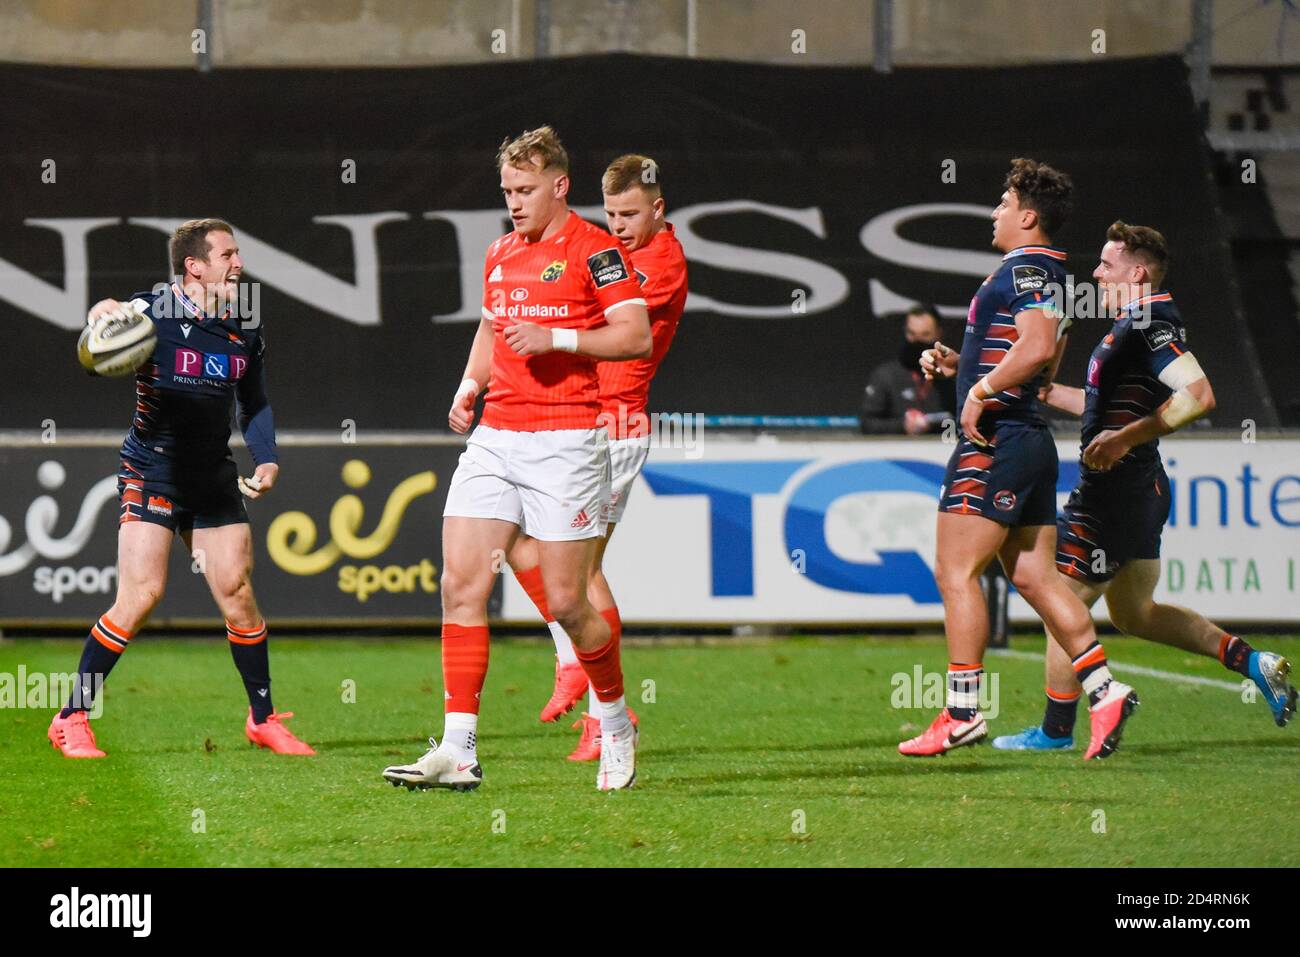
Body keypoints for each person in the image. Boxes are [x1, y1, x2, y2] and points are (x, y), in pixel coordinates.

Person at [382, 127, 653, 792]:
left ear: (561, 186)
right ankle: (459, 748)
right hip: (498, 434)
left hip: (565, 440)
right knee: (460, 585)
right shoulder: (501, 252)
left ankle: (614, 721)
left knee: (566, 601)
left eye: (526, 189)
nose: (514, 202)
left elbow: (635, 334)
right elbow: (491, 326)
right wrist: (470, 384)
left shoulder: (597, 250)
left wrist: (558, 336)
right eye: (507, 190)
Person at [994, 221, 1295, 750]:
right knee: (1135, 613)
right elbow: (1094, 408)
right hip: (1142, 490)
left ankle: (1056, 732)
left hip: (1115, 491)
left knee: (1061, 603)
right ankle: (1255, 661)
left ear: (1137, 273)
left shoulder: (1151, 322)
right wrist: (1020, 388)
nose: (1095, 273)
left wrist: (1125, 438)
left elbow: (1199, 396)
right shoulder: (1130, 326)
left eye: (1106, 265)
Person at [900, 158, 1140, 761]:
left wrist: (979, 391)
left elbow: (1033, 348)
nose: (995, 212)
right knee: (1034, 575)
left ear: (1027, 216)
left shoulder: (1027, 266)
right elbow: (1041, 361)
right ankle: (1106, 691)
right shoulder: (1056, 273)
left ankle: (960, 712)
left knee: (954, 571)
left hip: (998, 439)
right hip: (1029, 438)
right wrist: (966, 365)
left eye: (1003, 203)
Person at [47, 219, 314, 758]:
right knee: (142, 595)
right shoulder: (154, 312)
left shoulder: (245, 323)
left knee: (238, 593)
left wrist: (266, 458)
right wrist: (102, 312)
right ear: (195, 266)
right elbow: (108, 320)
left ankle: (262, 719)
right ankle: (71, 716)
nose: (238, 263)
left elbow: (254, 402)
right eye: (228, 254)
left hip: (212, 472)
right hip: (153, 469)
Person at [507, 153, 688, 762]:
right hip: (577, 423)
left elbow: (604, 322)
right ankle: (581, 674)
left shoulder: (659, 264)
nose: (618, 225)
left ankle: (599, 706)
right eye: (610, 213)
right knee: (516, 540)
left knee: (579, 575)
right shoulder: (606, 250)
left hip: (614, 425)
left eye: (630, 214)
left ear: (658, 210)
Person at [859, 304, 955, 435]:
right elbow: (867, 423)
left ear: (938, 334)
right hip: (897, 451)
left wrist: (933, 425)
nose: (917, 341)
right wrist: (902, 426)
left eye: (925, 335)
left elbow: (968, 421)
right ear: (905, 332)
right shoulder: (886, 375)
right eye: (912, 334)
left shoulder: (951, 376)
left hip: (943, 449)